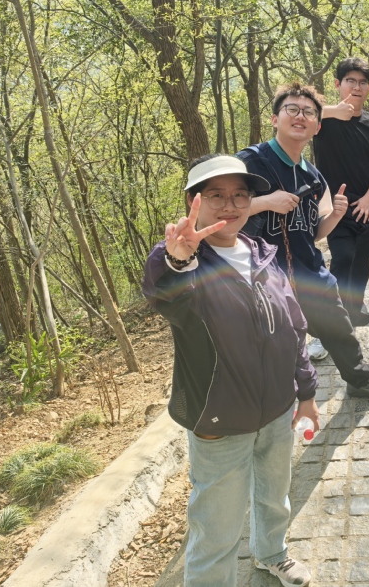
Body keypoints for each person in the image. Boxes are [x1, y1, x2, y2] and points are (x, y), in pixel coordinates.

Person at [142, 154, 317, 587]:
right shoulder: (185, 260)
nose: (230, 205)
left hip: (277, 410)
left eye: (240, 195)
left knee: (274, 496)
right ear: (194, 201)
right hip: (220, 419)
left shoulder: (263, 254)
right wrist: (177, 259)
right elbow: (166, 295)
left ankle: (272, 554)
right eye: (216, 195)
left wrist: (307, 393)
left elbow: (294, 327)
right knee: (216, 528)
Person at [237, 83, 369, 403]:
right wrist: (265, 202)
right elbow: (219, 215)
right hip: (264, 280)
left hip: (310, 274)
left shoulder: (313, 176)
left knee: (340, 329)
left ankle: (359, 381)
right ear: (275, 119)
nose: (300, 116)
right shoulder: (250, 163)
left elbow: (312, 234)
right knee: (272, 349)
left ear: (317, 126)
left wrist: (336, 215)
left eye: (309, 112)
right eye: (292, 109)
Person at [312, 57, 369, 327]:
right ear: (338, 84)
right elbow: (296, 117)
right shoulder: (322, 121)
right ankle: (334, 319)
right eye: (350, 81)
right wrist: (333, 111)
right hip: (334, 206)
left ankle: (354, 309)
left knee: (362, 262)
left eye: (362, 82)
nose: (357, 87)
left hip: (366, 206)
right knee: (343, 257)